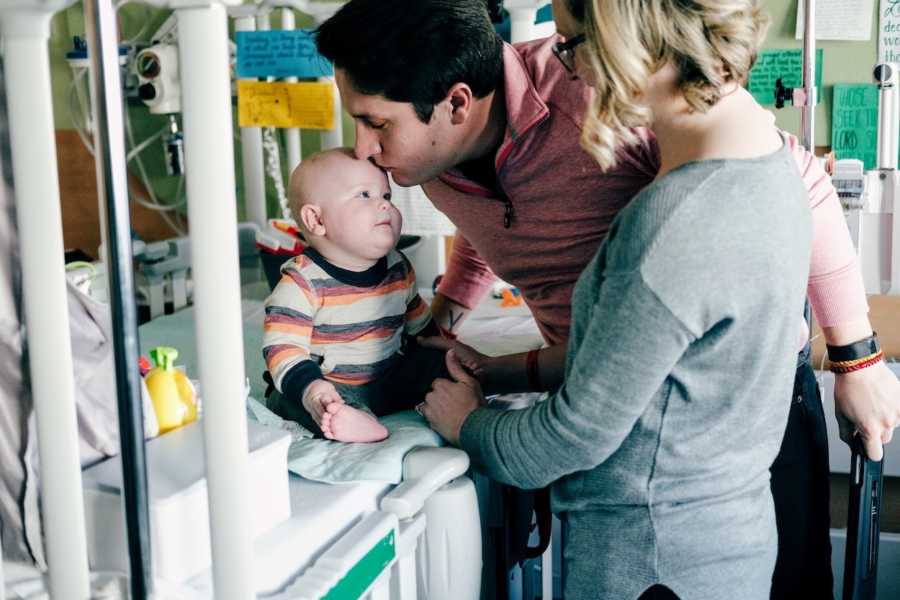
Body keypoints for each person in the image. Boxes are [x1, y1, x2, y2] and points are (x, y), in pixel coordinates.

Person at [315, 0, 900, 594]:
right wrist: (447, 323)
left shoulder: (603, 88)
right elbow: (489, 226)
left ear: (458, 103)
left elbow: (794, 181)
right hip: (603, 384)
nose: (362, 148)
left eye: (375, 123)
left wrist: (857, 358)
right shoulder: (427, 155)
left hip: (714, 398)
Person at [418, 0, 815, 596]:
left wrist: (467, 423)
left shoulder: (671, 223)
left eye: (572, 45)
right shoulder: (766, 170)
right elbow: (660, 371)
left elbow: (565, 440)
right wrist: (500, 371)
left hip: (650, 559)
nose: (568, 68)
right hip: (729, 539)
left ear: (630, 40)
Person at [261, 148, 446, 442]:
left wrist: (443, 350)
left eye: (386, 197)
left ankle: (454, 392)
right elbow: (283, 349)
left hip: (387, 378)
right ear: (316, 220)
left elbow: (418, 323)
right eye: (364, 195)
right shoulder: (301, 282)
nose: (384, 206)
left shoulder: (398, 266)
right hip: (331, 385)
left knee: (437, 362)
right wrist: (312, 390)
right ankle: (345, 419)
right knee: (293, 400)